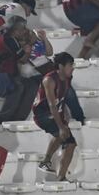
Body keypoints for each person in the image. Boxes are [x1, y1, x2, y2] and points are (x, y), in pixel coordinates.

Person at [0, 15, 39, 123]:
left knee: (32, 85)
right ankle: (2, 120)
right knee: (16, 87)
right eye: (24, 29)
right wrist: (30, 45)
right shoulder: (9, 40)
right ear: (16, 31)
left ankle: (19, 119)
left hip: (4, 77)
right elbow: (23, 59)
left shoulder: (8, 37)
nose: (26, 31)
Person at [32, 52, 79, 181]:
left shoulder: (68, 78)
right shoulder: (49, 80)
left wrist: (65, 113)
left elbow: (61, 99)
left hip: (54, 112)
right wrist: (61, 126)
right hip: (43, 115)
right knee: (70, 143)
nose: (72, 67)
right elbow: (52, 105)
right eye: (70, 65)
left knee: (60, 135)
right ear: (61, 66)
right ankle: (61, 177)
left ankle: (46, 161)